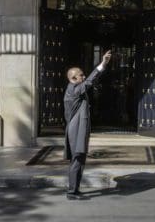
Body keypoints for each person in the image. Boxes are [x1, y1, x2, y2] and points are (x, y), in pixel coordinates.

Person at [63, 49, 112, 199]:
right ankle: (72, 191)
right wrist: (103, 64)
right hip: (76, 130)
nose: (83, 77)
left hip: (79, 130)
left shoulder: (76, 89)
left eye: (83, 75)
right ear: (73, 78)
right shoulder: (74, 90)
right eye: (81, 75)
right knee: (77, 160)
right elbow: (91, 81)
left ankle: (75, 189)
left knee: (80, 160)